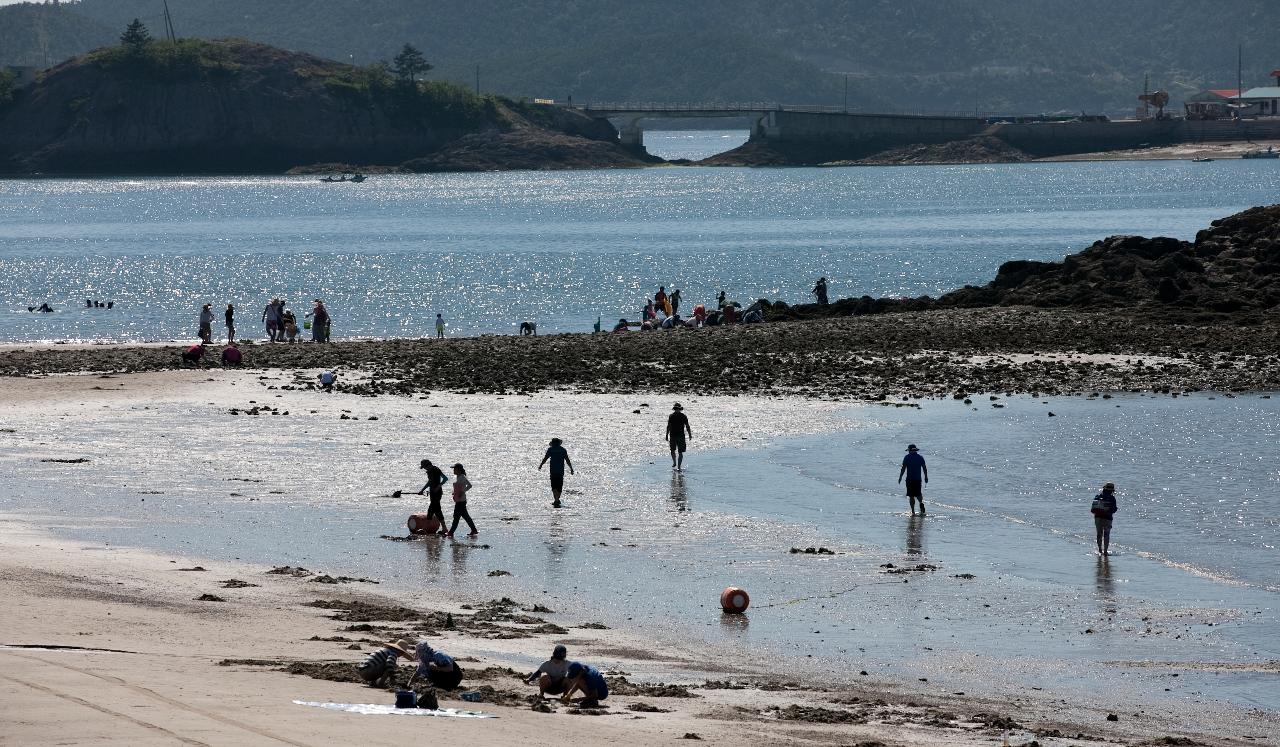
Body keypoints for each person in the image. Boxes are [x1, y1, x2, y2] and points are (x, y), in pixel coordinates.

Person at [539, 438, 574, 507]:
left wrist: (541, 465)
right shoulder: (563, 450)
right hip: (560, 471)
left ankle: (556, 500)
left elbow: (545, 458)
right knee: (559, 486)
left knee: (554, 486)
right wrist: (571, 468)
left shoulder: (550, 450)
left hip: (553, 471)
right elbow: (567, 460)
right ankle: (557, 500)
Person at [417, 459, 449, 534]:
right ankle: (444, 528)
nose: (424, 469)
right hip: (434, 492)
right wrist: (422, 490)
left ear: (427, 465)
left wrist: (438, 487)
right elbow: (432, 481)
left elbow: (445, 479)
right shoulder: (433, 470)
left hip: (436, 492)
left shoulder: (433, 470)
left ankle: (425, 528)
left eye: (424, 467)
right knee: (437, 510)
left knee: (431, 509)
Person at [446, 463, 477, 537]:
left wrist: (462, 492)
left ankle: (451, 532)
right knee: (466, 516)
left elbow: (469, 485)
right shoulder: (459, 477)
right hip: (460, 500)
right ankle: (474, 530)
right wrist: (455, 492)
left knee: (456, 517)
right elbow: (459, 487)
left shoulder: (462, 477)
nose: (453, 470)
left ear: (458, 470)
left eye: (454, 469)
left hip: (461, 501)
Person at [898, 444, 928, 515]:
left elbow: (903, 468)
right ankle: (921, 503)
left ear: (910, 450)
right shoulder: (920, 457)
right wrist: (926, 477)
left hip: (910, 479)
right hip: (918, 479)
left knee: (911, 496)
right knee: (918, 493)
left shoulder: (907, 457)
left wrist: (900, 477)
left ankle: (913, 511)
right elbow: (924, 468)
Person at [1091, 482, 1119, 555]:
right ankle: (1105, 551)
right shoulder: (1112, 498)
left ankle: (1100, 550)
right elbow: (1114, 509)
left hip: (1098, 518)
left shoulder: (1097, 496)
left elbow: (1092, 509)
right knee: (1106, 534)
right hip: (1107, 518)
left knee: (1099, 534)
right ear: (1112, 490)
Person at [665, 403, 692, 471]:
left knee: (678, 452)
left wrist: (690, 434)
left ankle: (678, 466)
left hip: (677, 436)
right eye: (676, 409)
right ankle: (675, 463)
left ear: (679, 409)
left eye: (677, 409)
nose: (677, 410)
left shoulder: (679, 416)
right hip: (676, 436)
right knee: (673, 450)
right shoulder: (675, 416)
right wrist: (666, 435)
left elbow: (687, 426)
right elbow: (669, 426)